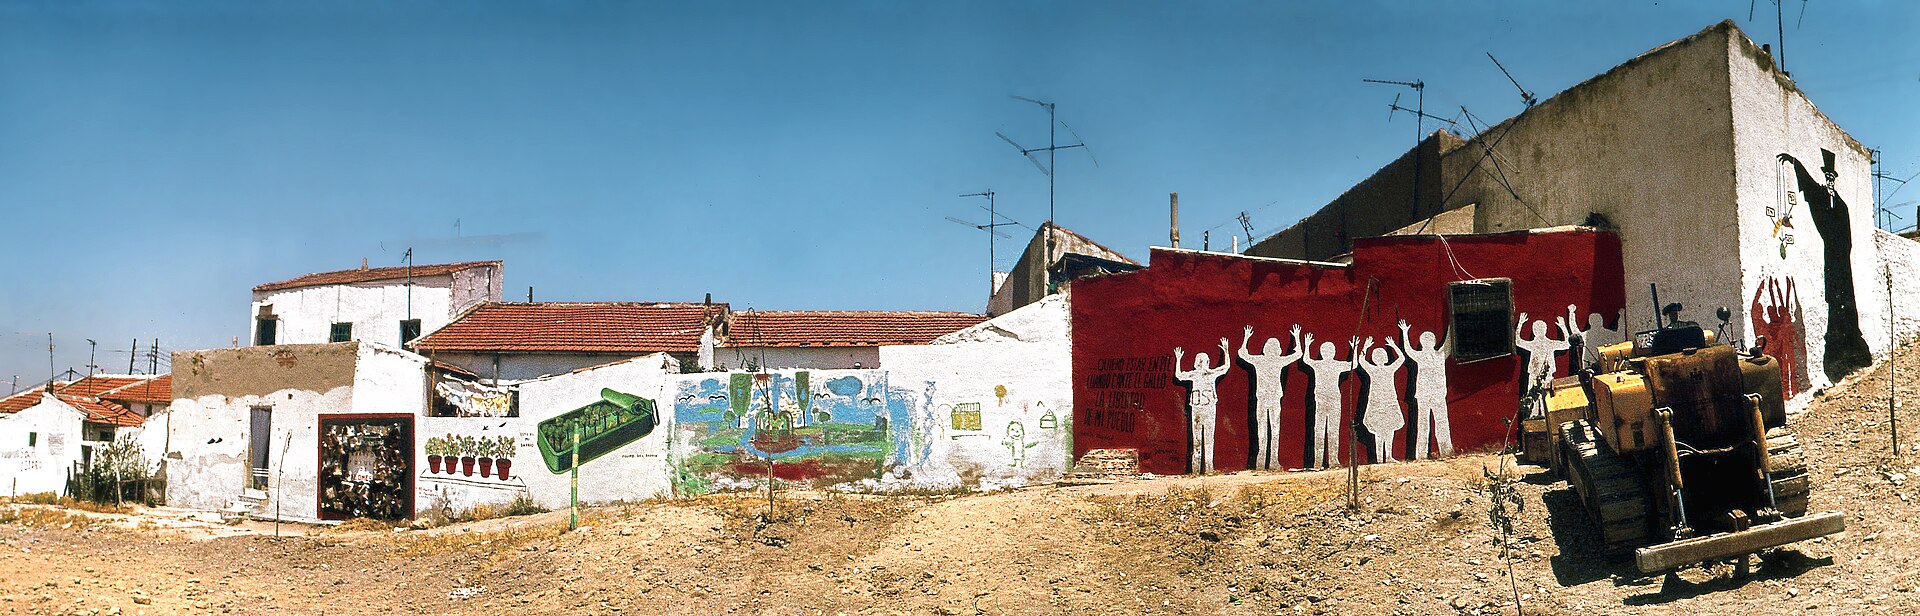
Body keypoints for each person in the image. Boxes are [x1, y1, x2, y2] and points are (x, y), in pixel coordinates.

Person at [1238, 324, 1304, 470]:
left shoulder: (1277, 361)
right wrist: (1246, 338)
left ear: (1278, 350)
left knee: (1274, 428)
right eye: (1270, 346)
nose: (1272, 348)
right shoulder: (1260, 360)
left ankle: (1273, 459)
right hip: (1262, 398)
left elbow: (1298, 354)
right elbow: (1242, 354)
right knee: (1263, 429)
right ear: (1266, 348)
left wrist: (1297, 338)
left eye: (1274, 346)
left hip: (1274, 398)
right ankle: (1261, 461)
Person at [1173, 338, 1232, 474]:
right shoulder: (1194, 375)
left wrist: (1226, 352)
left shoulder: (1211, 374)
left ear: (1207, 362)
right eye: (1199, 360)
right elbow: (1179, 375)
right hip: (1197, 408)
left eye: (1203, 360)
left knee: (1209, 438)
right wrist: (1178, 359)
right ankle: (1195, 469)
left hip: (1210, 407)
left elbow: (1225, 367)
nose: (1200, 362)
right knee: (1197, 440)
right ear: (1195, 363)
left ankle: (1209, 468)